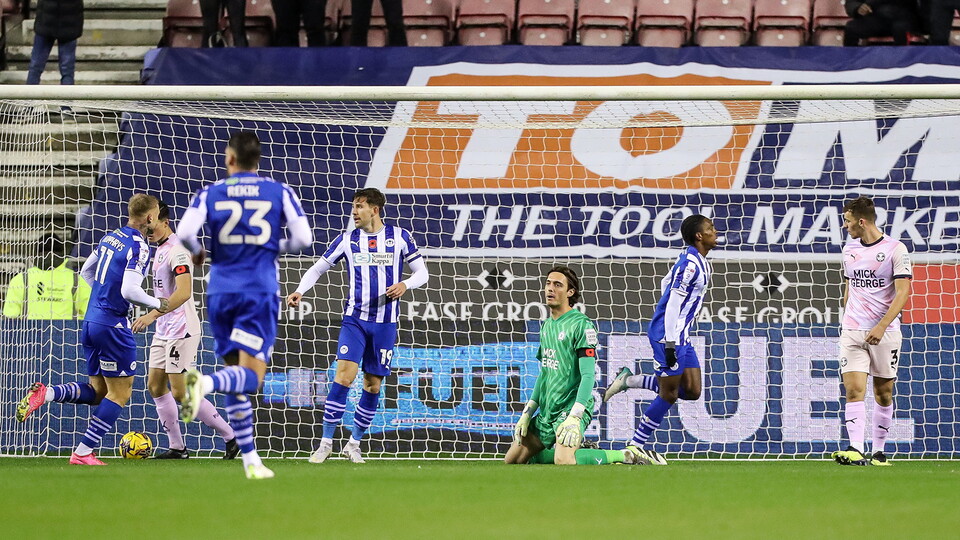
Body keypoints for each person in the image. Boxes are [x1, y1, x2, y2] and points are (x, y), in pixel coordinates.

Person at [178, 132, 312, 480]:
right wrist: (269, 246)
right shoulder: (279, 190)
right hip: (258, 290)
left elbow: (185, 232)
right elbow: (304, 239)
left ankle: (251, 461)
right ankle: (203, 384)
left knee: (235, 376)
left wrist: (198, 251)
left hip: (220, 290)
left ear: (230, 160)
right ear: (258, 160)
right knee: (251, 376)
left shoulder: (210, 192)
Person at [15, 194, 168, 466]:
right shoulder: (140, 246)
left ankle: (46, 393)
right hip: (112, 324)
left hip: (91, 320)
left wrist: (102, 295)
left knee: (99, 392)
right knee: (120, 393)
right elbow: (130, 290)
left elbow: (86, 272)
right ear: (149, 217)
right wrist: (159, 303)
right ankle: (83, 452)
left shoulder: (110, 237)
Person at [288, 187, 428, 464]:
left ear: (374, 210)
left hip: (385, 323)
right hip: (355, 320)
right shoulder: (347, 240)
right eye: (354, 207)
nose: (354, 212)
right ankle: (325, 442)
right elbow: (318, 268)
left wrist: (405, 284)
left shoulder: (399, 237)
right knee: (343, 377)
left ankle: (354, 443)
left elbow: (422, 272)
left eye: (359, 206)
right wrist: (300, 290)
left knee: (373, 385)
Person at [604, 214, 717, 466]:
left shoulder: (698, 261)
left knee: (693, 391)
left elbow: (666, 282)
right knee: (669, 395)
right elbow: (675, 300)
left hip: (681, 334)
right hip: (669, 336)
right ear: (699, 235)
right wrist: (669, 341)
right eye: (710, 228)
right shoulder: (691, 264)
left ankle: (630, 380)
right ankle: (635, 446)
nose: (715, 231)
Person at [131, 201, 239, 460]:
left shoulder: (176, 251)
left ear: (164, 221)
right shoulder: (160, 249)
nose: (148, 229)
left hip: (182, 329)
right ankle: (177, 448)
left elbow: (184, 293)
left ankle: (231, 437)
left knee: (180, 392)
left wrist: (151, 315)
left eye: (152, 224)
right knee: (156, 386)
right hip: (164, 329)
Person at [504, 266, 640, 466]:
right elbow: (545, 372)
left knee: (564, 461)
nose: (550, 288)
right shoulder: (547, 326)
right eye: (548, 283)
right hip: (549, 410)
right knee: (512, 460)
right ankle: (580, 450)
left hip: (571, 408)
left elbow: (588, 376)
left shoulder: (581, 325)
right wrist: (528, 412)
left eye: (558, 285)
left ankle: (625, 455)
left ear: (570, 292)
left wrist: (575, 416)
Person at [831, 196, 911, 466]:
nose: (845, 226)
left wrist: (881, 325)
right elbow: (849, 285)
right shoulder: (849, 248)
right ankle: (855, 448)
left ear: (861, 221)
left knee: (883, 393)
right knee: (853, 390)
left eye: (848, 221)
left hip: (884, 332)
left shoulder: (895, 249)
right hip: (853, 330)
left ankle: (878, 452)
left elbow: (903, 293)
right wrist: (846, 312)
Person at [3, 232, 90, 320]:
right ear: (63, 253)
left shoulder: (21, 279)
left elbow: (10, 316)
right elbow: (89, 314)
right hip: (66, 332)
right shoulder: (76, 279)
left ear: (36, 254)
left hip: (32, 332)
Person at [26, 0, 83, 85]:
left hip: (50, 21)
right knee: (67, 71)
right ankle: (67, 96)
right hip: (65, 22)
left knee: (35, 67)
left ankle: (28, 96)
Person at [843, 0, 920, 46]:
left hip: (901, 17)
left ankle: (904, 64)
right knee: (851, 28)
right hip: (875, 17)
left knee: (900, 29)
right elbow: (851, 2)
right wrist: (858, 8)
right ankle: (851, 62)